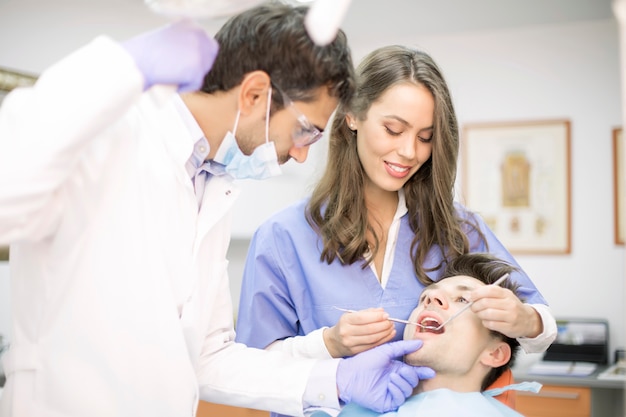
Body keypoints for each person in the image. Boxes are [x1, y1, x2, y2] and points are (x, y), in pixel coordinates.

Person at [0, 6, 434, 417]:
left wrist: (333, 378)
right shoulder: (114, 138)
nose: (301, 156)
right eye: (305, 132)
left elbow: (208, 359)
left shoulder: (211, 184)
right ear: (254, 93)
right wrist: (123, 64)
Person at [235, 45, 557, 415]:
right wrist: (330, 343)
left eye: (425, 137)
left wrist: (525, 320)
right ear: (353, 116)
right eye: (393, 129)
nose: (408, 152)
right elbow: (249, 368)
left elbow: (539, 322)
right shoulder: (283, 236)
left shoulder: (458, 229)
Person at [317, 252, 543, 417]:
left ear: (495, 354)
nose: (430, 300)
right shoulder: (352, 407)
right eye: (424, 297)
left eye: (462, 300)